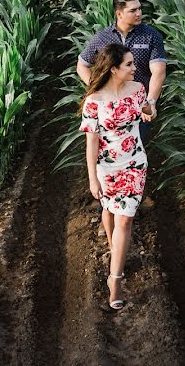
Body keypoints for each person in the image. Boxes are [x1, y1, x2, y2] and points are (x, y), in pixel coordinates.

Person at [80, 43, 149, 310]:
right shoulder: (94, 102)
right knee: (109, 210)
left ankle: (115, 280)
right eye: (129, 65)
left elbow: (144, 112)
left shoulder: (137, 90)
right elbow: (92, 144)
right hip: (107, 169)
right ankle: (114, 249)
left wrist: (148, 112)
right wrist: (92, 179)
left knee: (125, 220)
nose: (135, 68)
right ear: (113, 69)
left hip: (134, 163)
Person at [77, 0, 167, 140]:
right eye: (133, 10)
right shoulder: (102, 37)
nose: (139, 13)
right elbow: (82, 65)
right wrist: (98, 87)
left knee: (135, 146)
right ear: (119, 14)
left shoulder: (151, 36)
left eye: (139, 8)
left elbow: (159, 71)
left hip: (138, 105)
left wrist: (150, 103)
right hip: (109, 106)